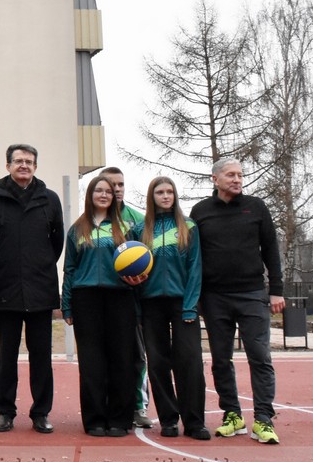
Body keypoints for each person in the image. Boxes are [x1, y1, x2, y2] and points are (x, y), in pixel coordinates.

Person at [190, 158, 284, 444]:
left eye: (240, 175)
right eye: (230, 175)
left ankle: (264, 419)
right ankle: (232, 414)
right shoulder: (200, 211)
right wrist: (196, 296)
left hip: (252, 293)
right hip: (214, 297)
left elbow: (270, 248)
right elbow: (194, 256)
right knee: (221, 359)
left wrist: (276, 290)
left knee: (260, 356)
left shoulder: (256, 207)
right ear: (215, 179)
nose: (237, 179)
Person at [0, 144, 64, 434]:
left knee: (42, 357)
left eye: (29, 161)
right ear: (8, 166)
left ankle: (41, 413)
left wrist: (37, 268)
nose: (23, 165)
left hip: (41, 291)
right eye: (18, 161)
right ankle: (5, 412)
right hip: (5, 291)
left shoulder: (50, 199)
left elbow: (56, 243)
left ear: (36, 167)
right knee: (7, 356)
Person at [127, 176, 209, 440]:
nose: (165, 196)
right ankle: (169, 420)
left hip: (182, 304)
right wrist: (138, 309)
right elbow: (133, 274)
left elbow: (195, 269)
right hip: (151, 305)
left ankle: (194, 422)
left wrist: (190, 307)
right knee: (158, 363)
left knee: (190, 362)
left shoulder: (189, 227)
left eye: (169, 192)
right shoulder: (140, 231)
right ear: (152, 197)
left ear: (175, 195)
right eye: (160, 192)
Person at [61, 175, 136, 437]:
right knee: (92, 362)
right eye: (99, 190)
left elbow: (142, 262)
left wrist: (138, 280)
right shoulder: (77, 229)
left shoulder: (127, 228)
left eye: (109, 191)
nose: (104, 195)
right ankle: (94, 419)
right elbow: (69, 269)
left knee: (121, 359)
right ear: (90, 195)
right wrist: (67, 306)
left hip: (120, 298)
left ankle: (119, 419)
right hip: (86, 299)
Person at [102, 166, 152, 429]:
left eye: (121, 184)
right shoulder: (94, 219)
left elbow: (148, 257)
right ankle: (112, 404)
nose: (117, 189)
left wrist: (141, 276)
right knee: (109, 355)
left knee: (137, 355)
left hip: (134, 298)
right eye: (112, 185)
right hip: (104, 301)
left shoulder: (137, 220)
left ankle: (138, 406)